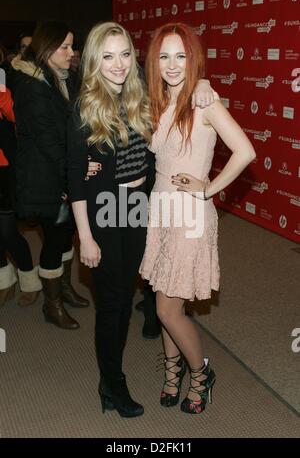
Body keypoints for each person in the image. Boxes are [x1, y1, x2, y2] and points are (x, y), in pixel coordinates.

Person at [68, 21, 216, 418]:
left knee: (130, 296)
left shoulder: (140, 98)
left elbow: (180, 99)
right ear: (94, 62)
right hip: (104, 211)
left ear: (134, 58)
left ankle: (109, 382)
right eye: (107, 56)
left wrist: (203, 84)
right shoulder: (86, 105)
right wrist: (85, 236)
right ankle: (113, 385)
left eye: (124, 54)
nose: (117, 64)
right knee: (112, 304)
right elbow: (75, 180)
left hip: (139, 208)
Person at [139, 23, 256, 414]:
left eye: (181, 56)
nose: (172, 65)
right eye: (164, 56)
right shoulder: (155, 102)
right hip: (161, 212)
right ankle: (173, 374)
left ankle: (201, 373)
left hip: (190, 215)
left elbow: (245, 151)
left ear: (194, 60)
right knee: (168, 300)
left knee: (165, 310)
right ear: (155, 62)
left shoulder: (205, 102)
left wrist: (207, 188)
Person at [10, 21, 89, 329]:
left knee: (65, 232)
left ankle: (65, 289)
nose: (72, 52)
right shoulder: (32, 86)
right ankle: (51, 304)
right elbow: (49, 141)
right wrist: (72, 179)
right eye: (65, 47)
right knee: (55, 239)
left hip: (60, 172)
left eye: (72, 46)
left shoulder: (60, 77)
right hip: (46, 176)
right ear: (47, 49)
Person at [0, 43, 41, 306]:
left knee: (7, 232)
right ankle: (5, 279)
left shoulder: (6, 80)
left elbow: (17, 115)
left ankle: (29, 279)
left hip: (3, 169)